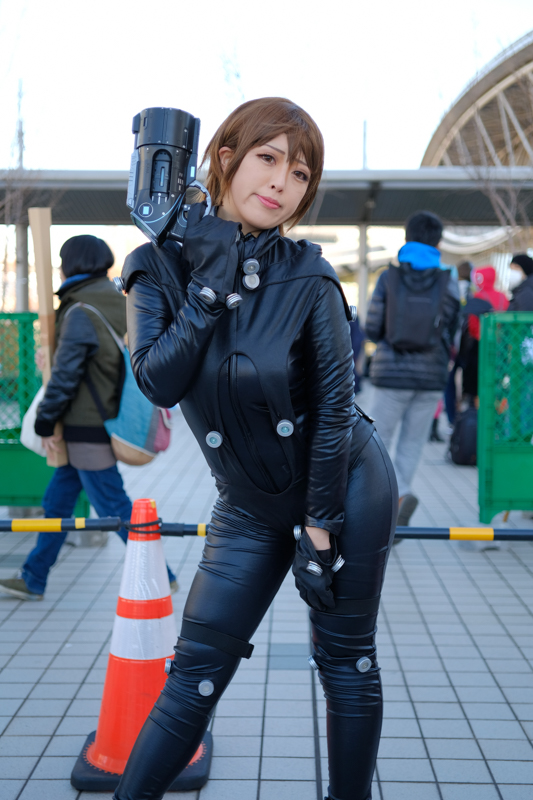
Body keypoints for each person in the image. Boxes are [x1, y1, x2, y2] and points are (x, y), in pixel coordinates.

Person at [112, 98, 398, 800]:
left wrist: (320, 529)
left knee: (345, 663)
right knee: (194, 673)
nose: (281, 183)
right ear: (225, 158)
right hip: (246, 501)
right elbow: (158, 379)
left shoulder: (309, 274)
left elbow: (333, 413)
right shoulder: (155, 266)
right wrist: (209, 288)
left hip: (345, 487)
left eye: (300, 173)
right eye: (268, 159)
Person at [0, 235, 177, 601]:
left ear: (70, 264)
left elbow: (66, 376)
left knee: (113, 506)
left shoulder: (80, 309)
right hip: (102, 418)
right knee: (57, 503)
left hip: (87, 425)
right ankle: (33, 576)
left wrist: (45, 421)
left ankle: (164, 575)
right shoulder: (118, 301)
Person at [365, 211, 460, 526]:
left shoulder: (388, 277)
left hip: (391, 374)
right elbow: (453, 329)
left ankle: (391, 498)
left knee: (377, 441)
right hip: (431, 376)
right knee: (412, 444)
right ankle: (400, 495)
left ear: (407, 237)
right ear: (438, 242)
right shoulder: (448, 280)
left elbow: (373, 327)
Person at [459, 265, 508, 399]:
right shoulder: (503, 296)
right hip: (500, 344)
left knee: (477, 378)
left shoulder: (477, 297)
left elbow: (473, 326)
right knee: (496, 377)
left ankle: (475, 404)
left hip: (480, 345)